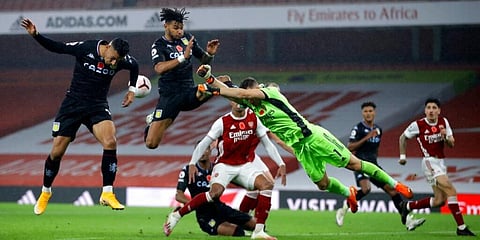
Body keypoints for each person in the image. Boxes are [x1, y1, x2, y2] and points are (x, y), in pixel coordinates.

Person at [195, 64, 414, 220]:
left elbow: (240, 92)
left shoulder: (269, 93)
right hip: (301, 149)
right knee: (322, 184)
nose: (248, 97)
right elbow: (235, 96)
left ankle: (396, 185)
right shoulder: (253, 105)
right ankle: (350, 193)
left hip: (313, 137)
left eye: (250, 93)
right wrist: (210, 78)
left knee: (354, 164)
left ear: (256, 89)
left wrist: (215, 85)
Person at [21, 18, 139, 215]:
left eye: (117, 61)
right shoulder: (86, 48)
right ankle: (45, 192)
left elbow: (134, 65)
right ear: (108, 47)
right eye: (113, 58)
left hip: (97, 105)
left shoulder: (120, 59)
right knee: (57, 152)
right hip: (73, 105)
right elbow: (57, 47)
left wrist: (132, 90)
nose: (113, 63)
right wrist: (36, 36)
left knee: (110, 141)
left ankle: (107, 192)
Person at [164, 84, 287, 240]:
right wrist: (192, 163)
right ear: (230, 101)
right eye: (235, 99)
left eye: (241, 99)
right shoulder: (222, 122)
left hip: (244, 166)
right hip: (224, 165)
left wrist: (281, 163)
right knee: (214, 194)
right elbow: (203, 144)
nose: (238, 102)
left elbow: (267, 144)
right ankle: (177, 215)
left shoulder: (254, 117)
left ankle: (258, 232)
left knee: (267, 185)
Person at [336, 102, 425, 231]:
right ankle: (345, 206)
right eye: (365, 111)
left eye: (370, 111)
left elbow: (375, 149)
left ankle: (408, 221)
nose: (368, 113)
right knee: (366, 189)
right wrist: (366, 137)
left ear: (374, 112)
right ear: (362, 113)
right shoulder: (358, 128)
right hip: (360, 163)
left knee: (392, 190)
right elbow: (350, 147)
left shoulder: (378, 129)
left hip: (373, 165)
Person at [398, 98, 476, 236]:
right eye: (428, 107)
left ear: (439, 110)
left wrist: (445, 137)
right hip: (429, 162)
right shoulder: (419, 124)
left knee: (440, 200)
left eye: (434, 108)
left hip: (440, 162)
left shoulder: (443, 122)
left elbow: (452, 144)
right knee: (451, 190)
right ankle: (461, 228)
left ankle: (407, 206)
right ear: (425, 110)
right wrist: (403, 156)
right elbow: (402, 137)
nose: (431, 110)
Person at [145, 8, 220, 148]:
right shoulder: (159, 45)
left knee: (222, 81)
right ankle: (154, 119)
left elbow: (203, 60)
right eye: (175, 28)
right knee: (151, 143)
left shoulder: (186, 38)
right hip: (169, 96)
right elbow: (159, 68)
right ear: (165, 26)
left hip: (188, 92)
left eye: (181, 27)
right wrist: (182, 58)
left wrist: (209, 54)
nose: (179, 31)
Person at [175, 141, 256, 236]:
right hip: (205, 216)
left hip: (221, 208)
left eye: (205, 149)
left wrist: (252, 184)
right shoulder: (189, 170)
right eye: (199, 150)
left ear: (210, 151)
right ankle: (238, 229)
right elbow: (179, 195)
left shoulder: (217, 169)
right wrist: (192, 204)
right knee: (238, 232)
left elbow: (238, 181)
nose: (202, 152)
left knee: (257, 225)